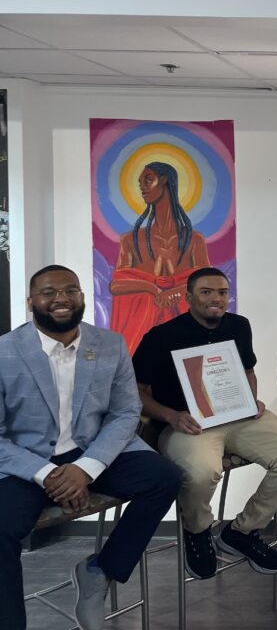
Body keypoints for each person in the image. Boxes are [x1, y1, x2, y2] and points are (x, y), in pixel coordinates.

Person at [0, 266, 181, 630]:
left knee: (165, 477)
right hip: (28, 460)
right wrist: (47, 472)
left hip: (93, 449)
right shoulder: (5, 352)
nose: (60, 299)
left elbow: (126, 411)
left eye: (70, 290)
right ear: (32, 301)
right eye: (49, 292)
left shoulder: (110, 344)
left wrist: (86, 467)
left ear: (83, 297)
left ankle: (101, 570)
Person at [133, 267, 277, 579]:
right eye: (206, 292)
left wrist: (250, 398)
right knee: (203, 472)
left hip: (237, 417)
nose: (216, 298)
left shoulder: (239, 326)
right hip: (186, 424)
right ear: (188, 297)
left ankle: (241, 531)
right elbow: (137, 393)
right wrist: (171, 415)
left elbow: (248, 370)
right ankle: (198, 531)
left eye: (222, 292)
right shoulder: (161, 337)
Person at [109, 161, 212, 354]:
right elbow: (116, 285)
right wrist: (152, 288)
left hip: (184, 332)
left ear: (165, 180)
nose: (142, 187)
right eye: (140, 183)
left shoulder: (194, 240)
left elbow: (208, 284)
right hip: (143, 332)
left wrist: (176, 291)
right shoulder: (130, 240)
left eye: (148, 180)